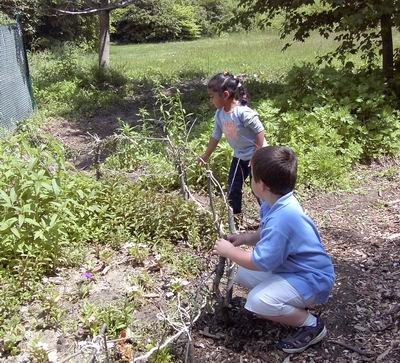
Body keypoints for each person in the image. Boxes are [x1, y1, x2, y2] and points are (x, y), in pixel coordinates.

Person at [213, 146, 335, 353]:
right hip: (294, 270)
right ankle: (289, 304)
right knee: (241, 274)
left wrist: (229, 251)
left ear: (261, 185)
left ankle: (310, 324)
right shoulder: (275, 203)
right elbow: (265, 233)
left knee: (256, 302)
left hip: (312, 279)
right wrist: (244, 238)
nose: (249, 180)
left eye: (252, 177)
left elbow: (261, 262)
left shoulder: (284, 217)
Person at [199, 72, 266, 218]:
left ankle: (268, 217)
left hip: (258, 156)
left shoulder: (242, 113)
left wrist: (256, 154)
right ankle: (236, 217)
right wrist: (205, 155)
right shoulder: (220, 114)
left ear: (225, 94)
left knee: (258, 188)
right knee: (233, 187)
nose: (211, 101)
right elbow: (215, 136)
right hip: (239, 156)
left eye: (212, 96)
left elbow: (260, 131)